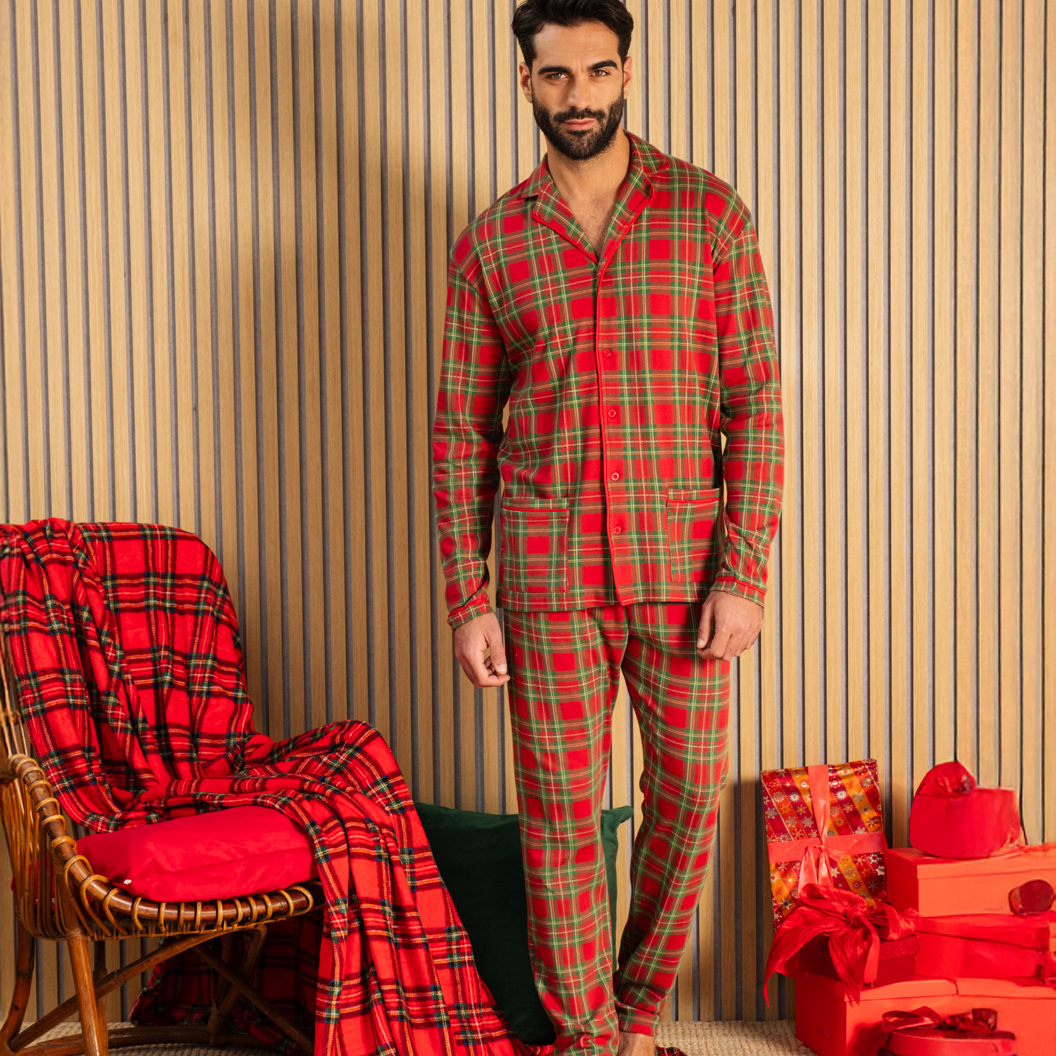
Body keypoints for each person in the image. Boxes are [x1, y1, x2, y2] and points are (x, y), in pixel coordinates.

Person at [431, 2, 783, 1053]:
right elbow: (460, 432)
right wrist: (469, 597)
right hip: (546, 581)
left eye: (595, 71)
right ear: (526, 83)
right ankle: (588, 1041)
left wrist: (743, 572)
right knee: (561, 819)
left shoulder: (708, 215)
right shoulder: (492, 241)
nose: (577, 95)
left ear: (626, 73)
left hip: (686, 574)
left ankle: (633, 1013)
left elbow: (754, 404)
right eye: (555, 75)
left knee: (688, 800)